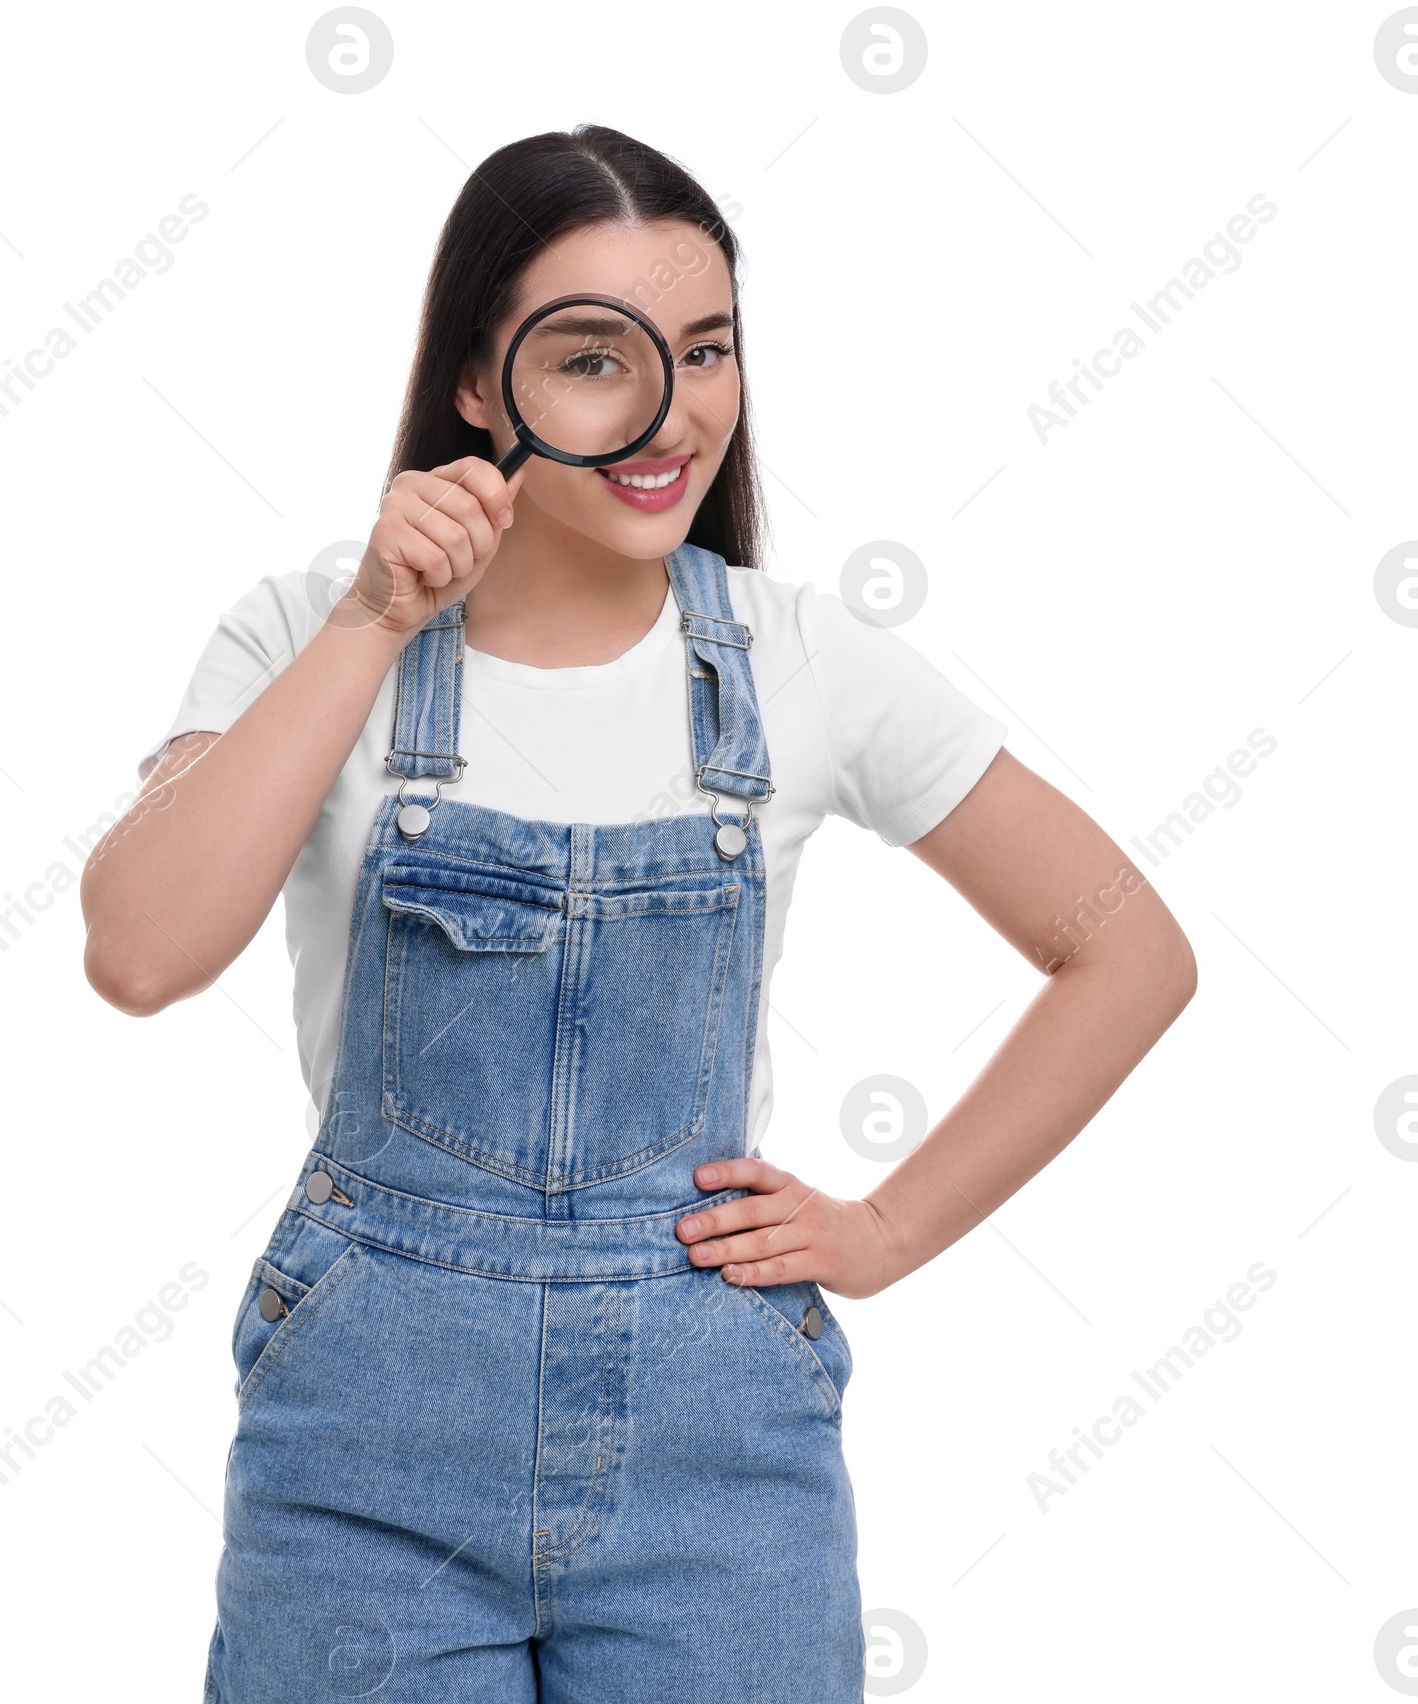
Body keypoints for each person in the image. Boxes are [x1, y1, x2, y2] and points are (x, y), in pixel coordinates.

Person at [80, 123, 1196, 1703]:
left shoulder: (808, 664)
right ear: (483, 383)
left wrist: (883, 1231)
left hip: (718, 1475)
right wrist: (375, 620)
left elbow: (1129, 948)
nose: (672, 417)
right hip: (364, 1464)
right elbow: (139, 949)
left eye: (708, 351)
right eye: (597, 360)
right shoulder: (300, 632)